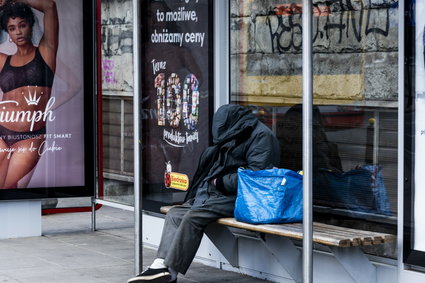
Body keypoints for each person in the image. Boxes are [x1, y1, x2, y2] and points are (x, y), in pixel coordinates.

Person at [128, 104, 280, 283]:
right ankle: (160, 265)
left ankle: (171, 272)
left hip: (244, 198)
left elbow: (257, 177)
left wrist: (219, 182)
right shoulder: (235, 131)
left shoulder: (261, 137)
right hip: (218, 193)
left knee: (194, 216)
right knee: (175, 214)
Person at [0, 0, 58, 188]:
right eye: (12, 28)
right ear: (7, 32)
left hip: (31, 136)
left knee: (8, 188)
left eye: (22, 25)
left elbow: (50, 6)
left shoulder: (46, 53)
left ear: (31, 26)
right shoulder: (2, 61)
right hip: (1, 133)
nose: (17, 32)